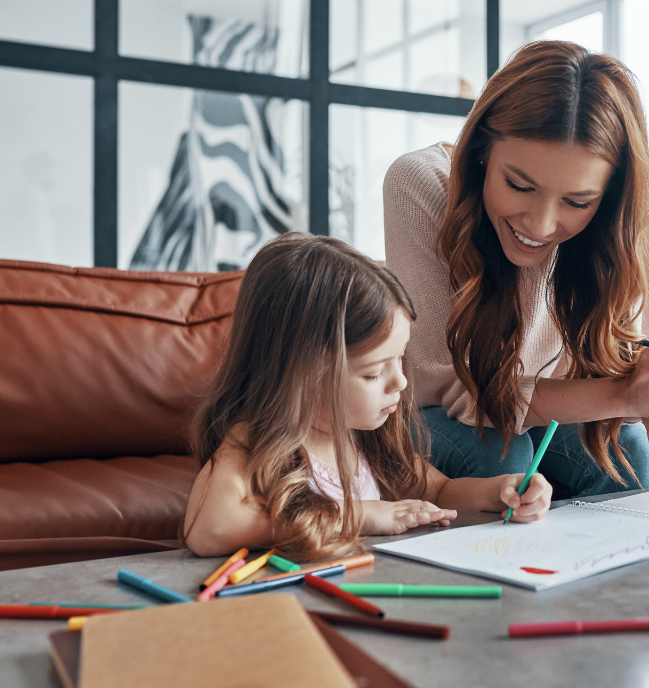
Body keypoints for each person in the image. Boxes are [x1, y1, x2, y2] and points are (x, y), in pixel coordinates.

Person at [384, 40, 649, 498]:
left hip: (532, 410)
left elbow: (608, 366)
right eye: (519, 185)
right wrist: (623, 395)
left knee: (631, 457)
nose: (539, 225)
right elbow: (454, 395)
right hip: (429, 413)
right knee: (498, 457)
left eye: (577, 202)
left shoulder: (615, 220)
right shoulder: (420, 183)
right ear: (482, 151)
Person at [182, 232, 551, 560]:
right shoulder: (254, 441)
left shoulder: (366, 437)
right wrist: (361, 514)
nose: (400, 383)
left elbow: (437, 493)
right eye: (374, 372)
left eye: (399, 360)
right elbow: (208, 528)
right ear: (302, 375)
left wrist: (498, 491)